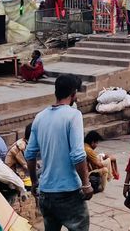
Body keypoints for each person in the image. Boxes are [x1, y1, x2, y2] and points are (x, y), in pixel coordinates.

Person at [25, 73, 93, 231]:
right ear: (73, 94)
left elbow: (29, 155)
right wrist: (86, 184)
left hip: (46, 192)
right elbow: (78, 154)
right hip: (68, 192)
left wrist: (35, 182)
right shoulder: (73, 115)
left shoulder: (40, 117)